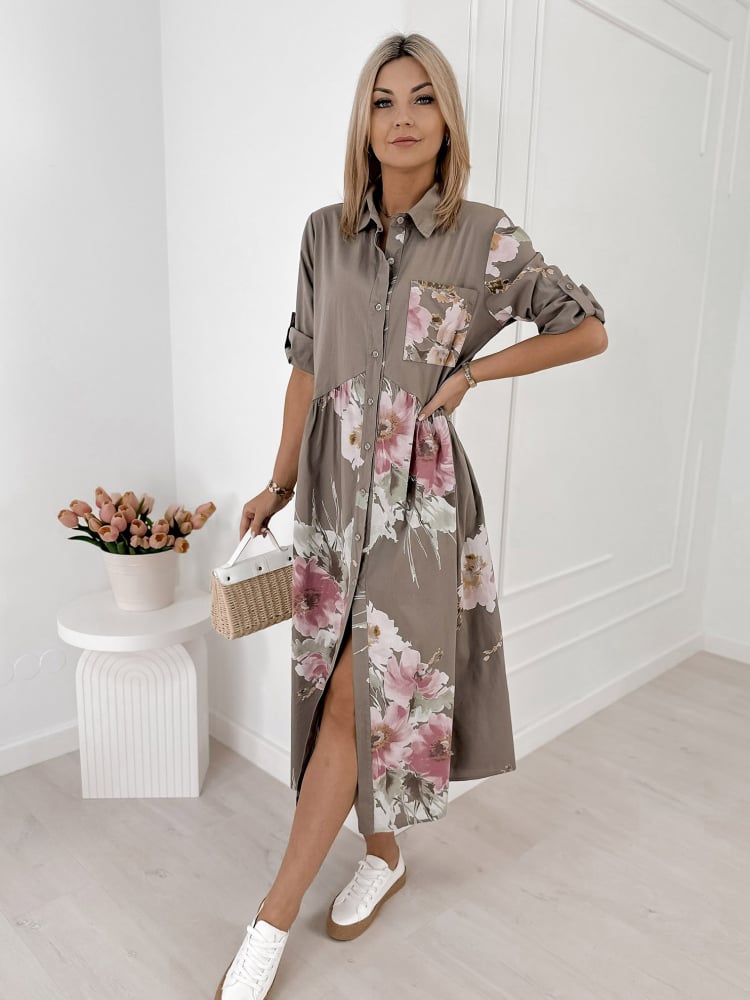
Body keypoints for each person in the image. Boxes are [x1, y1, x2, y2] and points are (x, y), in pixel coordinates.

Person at [215, 31, 607, 1000]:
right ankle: (383, 854)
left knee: (360, 692)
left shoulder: (486, 236)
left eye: (422, 98)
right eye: (384, 100)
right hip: (329, 491)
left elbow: (586, 327)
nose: (402, 117)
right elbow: (307, 364)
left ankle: (268, 921)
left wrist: (474, 373)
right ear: (365, 121)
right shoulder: (323, 233)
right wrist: (276, 482)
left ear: (447, 118)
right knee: (341, 697)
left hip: (419, 501)